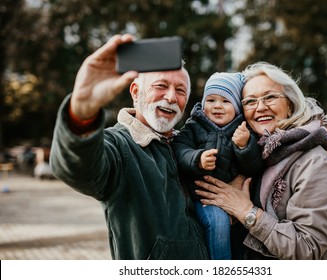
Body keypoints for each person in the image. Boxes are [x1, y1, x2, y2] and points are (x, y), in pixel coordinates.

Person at [49, 34, 209, 260]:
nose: (172, 97)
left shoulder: (192, 145)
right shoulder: (120, 146)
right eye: (161, 86)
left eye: (181, 90)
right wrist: (81, 114)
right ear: (135, 92)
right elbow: (78, 169)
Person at [194, 61, 327, 260]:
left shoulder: (315, 164)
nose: (260, 107)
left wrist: (246, 211)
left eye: (270, 97)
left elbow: (307, 249)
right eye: (250, 101)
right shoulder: (258, 156)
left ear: (290, 104)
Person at [171, 72, 263, 259]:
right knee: (218, 221)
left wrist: (244, 146)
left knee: (239, 234)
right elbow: (179, 149)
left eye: (226, 101)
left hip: (236, 197)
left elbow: (254, 166)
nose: (217, 106)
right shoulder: (194, 126)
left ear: (237, 107)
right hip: (203, 199)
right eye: (211, 100)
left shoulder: (243, 130)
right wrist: (197, 159)